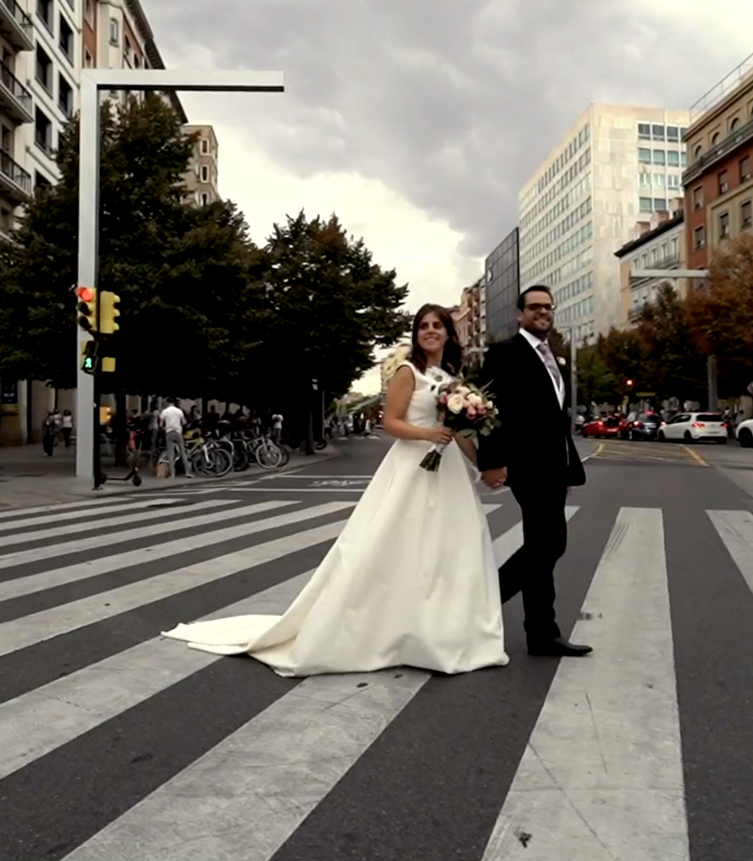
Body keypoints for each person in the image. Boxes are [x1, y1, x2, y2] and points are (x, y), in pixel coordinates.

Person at [162, 304, 507, 677]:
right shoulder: (408, 372)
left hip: (448, 470)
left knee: (450, 548)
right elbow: (392, 422)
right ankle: (396, 628)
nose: (430, 331)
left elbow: (458, 434)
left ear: (448, 334)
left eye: (437, 325)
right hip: (412, 468)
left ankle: (447, 631)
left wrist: (484, 465)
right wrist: (427, 433)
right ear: (416, 333)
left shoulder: (452, 377)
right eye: (423, 326)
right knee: (400, 546)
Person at [477, 285, 592, 658]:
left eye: (548, 306)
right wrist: (492, 461)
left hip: (551, 467)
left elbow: (555, 421)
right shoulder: (505, 352)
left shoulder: (553, 359)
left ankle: (542, 633)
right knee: (549, 543)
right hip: (525, 465)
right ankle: (486, 602)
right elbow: (487, 409)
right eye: (535, 306)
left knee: (543, 546)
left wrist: (566, 470)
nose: (544, 311)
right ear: (520, 314)